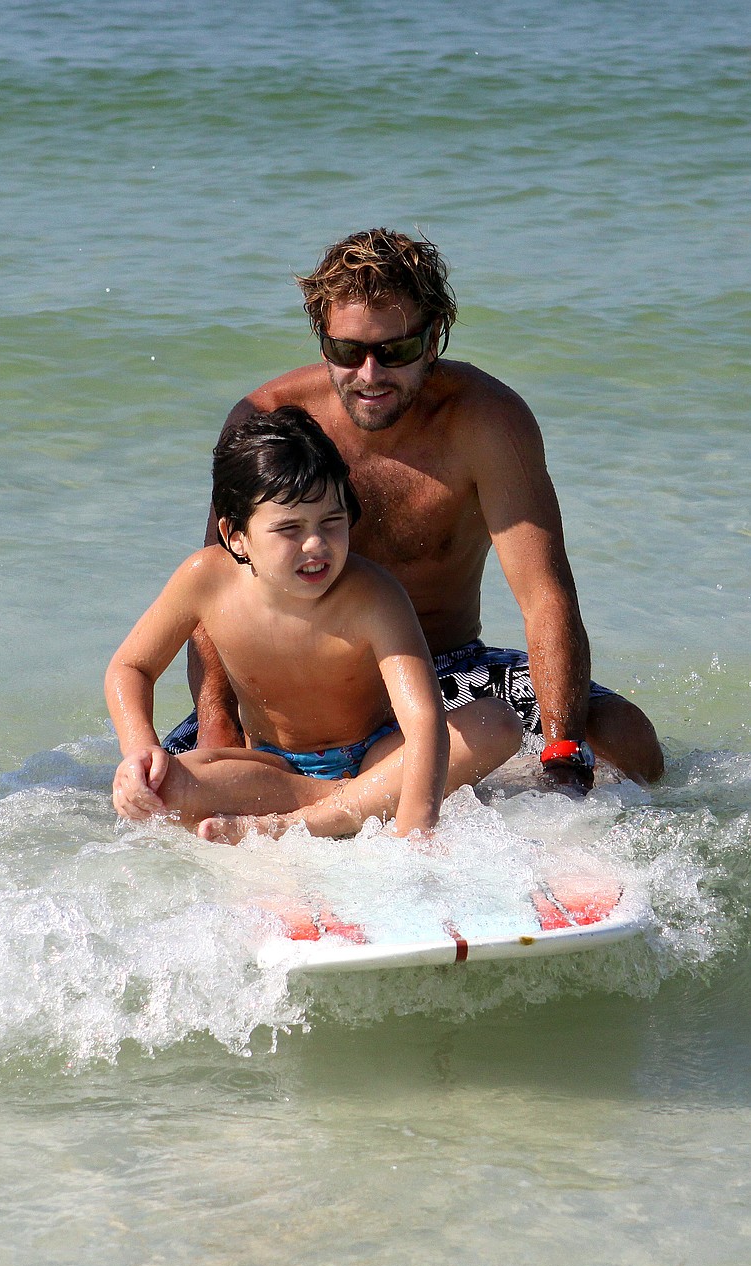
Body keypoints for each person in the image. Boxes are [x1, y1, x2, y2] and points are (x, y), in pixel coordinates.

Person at [163, 228, 663, 800]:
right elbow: (213, 602)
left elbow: (545, 594)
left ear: (433, 339)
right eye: (347, 352)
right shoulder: (270, 420)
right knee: (153, 795)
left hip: (446, 669)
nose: (370, 374)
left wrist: (562, 752)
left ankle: (493, 810)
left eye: (394, 351)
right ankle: (354, 798)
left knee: (630, 740)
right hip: (299, 696)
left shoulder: (485, 421)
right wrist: (220, 733)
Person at [106, 406, 522, 841]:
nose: (315, 543)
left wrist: (414, 833)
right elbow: (131, 667)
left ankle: (323, 817)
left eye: (331, 521)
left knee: (496, 723)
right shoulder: (204, 580)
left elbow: (424, 721)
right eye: (289, 528)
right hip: (273, 770)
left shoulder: (373, 594)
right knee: (161, 786)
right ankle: (358, 801)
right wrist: (139, 749)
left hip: (376, 755)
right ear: (235, 536)